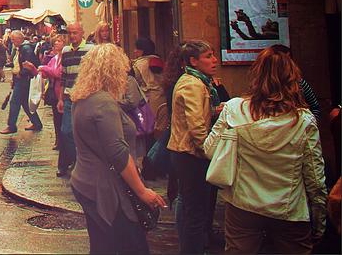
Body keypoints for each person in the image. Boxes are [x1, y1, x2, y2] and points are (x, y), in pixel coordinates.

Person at [203, 45, 326, 253]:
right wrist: (319, 218)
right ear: (293, 78)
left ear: (256, 74)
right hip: (289, 210)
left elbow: (210, 149)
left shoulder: (234, 109)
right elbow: (315, 177)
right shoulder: (304, 121)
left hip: (243, 206)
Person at [71, 44, 166, 254]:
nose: (125, 74)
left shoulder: (83, 98)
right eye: (122, 69)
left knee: (103, 246)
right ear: (112, 70)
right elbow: (117, 152)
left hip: (87, 181)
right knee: (131, 246)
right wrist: (142, 191)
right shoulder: (103, 103)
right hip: (104, 187)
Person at [167, 40, 220, 254]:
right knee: (196, 212)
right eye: (208, 56)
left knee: (190, 207)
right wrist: (210, 153)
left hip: (186, 152)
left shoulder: (197, 81)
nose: (214, 60)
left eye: (213, 54)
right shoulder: (192, 84)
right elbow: (197, 127)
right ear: (193, 61)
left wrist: (216, 110)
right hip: (190, 154)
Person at [57, 23, 93, 177]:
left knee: (83, 131)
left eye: (75, 33)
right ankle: (77, 161)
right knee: (66, 131)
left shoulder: (90, 50)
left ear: (82, 33)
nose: (72, 36)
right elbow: (63, 76)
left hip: (84, 97)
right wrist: (60, 98)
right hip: (68, 97)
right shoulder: (66, 51)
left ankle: (82, 163)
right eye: (70, 33)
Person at [0, 31, 43, 134]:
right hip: (21, 79)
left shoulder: (26, 49)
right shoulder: (22, 48)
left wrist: (21, 74)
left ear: (19, 39)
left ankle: (11, 126)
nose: (12, 42)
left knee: (14, 102)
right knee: (25, 103)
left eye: (13, 40)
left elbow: (29, 64)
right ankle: (37, 123)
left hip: (24, 79)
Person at [131, 38, 167, 141]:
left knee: (149, 128)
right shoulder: (158, 60)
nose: (134, 51)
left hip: (148, 99)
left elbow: (135, 81)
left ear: (142, 50)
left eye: (137, 49)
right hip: (162, 98)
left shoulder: (138, 64)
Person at [35, 34, 65, 150]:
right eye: (55, 41)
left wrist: (43, 68)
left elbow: (58, 73)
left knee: (63, 119)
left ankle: (63, 141)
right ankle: (58, 140)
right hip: (54, 93)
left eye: (60, 41)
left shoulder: (65, 57)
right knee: (57, 119)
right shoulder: (54, 59)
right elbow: (48, 72)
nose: (57, 43)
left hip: (62, 92)